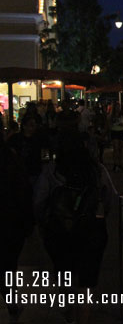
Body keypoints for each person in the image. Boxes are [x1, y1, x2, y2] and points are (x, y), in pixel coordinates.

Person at [34, 132, 110, 324]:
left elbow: (38, 201)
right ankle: (83, 317)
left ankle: (69, 313)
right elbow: (106, 201)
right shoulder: (96, 169)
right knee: (86, 281)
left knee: (64, 272)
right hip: (91, 230)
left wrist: (44, 222)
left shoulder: (52, 170)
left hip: (60, 231)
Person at [0, 132, 34, 323]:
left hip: (10, 219)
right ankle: (11, 298)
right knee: (9, 264)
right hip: (10, 220)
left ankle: (11, 297)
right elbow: (23, 190)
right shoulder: (11, 158)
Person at [108, 103, 123, 172]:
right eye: (116, 107)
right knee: (115, 148)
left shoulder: (122, 115)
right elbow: (109, 124)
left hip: (121, 131)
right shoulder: (111, 115)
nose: (117, 108)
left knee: (120, 149)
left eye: (118, 107)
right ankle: (115, 163)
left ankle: (120, 163)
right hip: (114, 131)